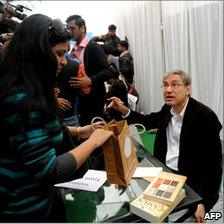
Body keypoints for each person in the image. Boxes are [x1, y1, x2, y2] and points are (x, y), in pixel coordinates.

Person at [0, 14, 112, 222]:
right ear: (38, 53)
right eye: (59, 54)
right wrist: (94, 141)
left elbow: (35, 136)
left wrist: (80, 131)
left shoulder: (27, 89)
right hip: (25, 211)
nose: (64, 61)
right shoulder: (21, 99)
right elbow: (50, 170)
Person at [107, 69, 222, 223]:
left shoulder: (205, 117)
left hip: (192, 184)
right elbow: (148, 121)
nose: (168, 90)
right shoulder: (167, 109)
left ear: (188, 89)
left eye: (175, 85)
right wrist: (123, 109)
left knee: (202, 218)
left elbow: (213, 167)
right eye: (165, 85)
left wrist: (204, 203)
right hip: (165, 175)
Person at [66, 15, 113, 125]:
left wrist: (90, 80)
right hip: (81, 100)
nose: (69, 32)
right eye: (68, 29)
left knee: (94, 131)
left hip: (94, 100)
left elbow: (109, 71)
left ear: (82, 28)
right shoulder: (75, 49)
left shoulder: (93, 47)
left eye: (72, 28)